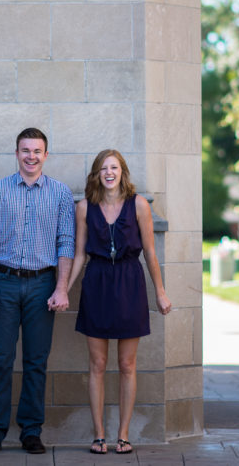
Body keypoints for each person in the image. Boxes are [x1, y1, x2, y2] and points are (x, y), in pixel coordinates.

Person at [0, 127, 76, 456]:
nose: (31, 156)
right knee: (0, 360)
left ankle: (31, 431)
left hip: (43, 285)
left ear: (46, 155)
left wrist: (61, 287)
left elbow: (66, 243)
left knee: (35, 361)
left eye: (37, 151)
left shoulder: (60, 194)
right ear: (16, 153)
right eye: (25, 150)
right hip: (3, 283)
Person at [66, 149, 172, 455]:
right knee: (97, 364)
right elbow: (79, 254)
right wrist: (63, 289)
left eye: (114, 167)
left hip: (130, 284)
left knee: (127, 364)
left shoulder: (139, 205)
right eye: (103, 169)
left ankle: (123, 435)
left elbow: (151, 252)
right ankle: (99, 435)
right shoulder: (84, 207)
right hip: (97, 283)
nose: (109, 173)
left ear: (122, 172)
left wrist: (161, 292)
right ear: (97, 174)